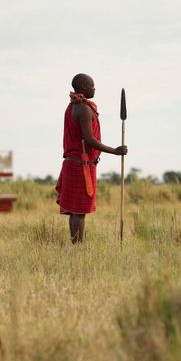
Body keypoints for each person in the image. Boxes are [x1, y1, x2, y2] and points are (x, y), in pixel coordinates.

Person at [55, 73, 128, 243]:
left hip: (78, 164)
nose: (94, 89)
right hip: (81, 165)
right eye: (92, 86)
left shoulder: (74, 106)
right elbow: (89, 139)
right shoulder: (83, 109)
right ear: (82, 87)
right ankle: (77, 247)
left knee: (77, 211)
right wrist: (115, 151)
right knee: (78, 211)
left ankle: (77, 246)